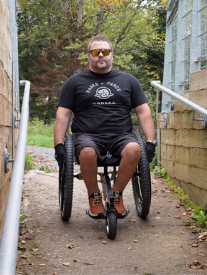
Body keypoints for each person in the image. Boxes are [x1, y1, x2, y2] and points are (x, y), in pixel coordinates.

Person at [53, 34, 156, 218]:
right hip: (87, 135)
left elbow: (143, 112)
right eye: (96, 51)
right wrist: (59, 145)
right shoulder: (74, 82)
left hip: (120, 136)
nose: (101, 55)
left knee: (134, 148)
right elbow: (63, 115)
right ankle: (94, 196)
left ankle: (117, 195)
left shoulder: (129, 81)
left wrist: (150, 142)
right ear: (89, 55)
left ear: (112, 55)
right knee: (86, 152)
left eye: (105, 51)